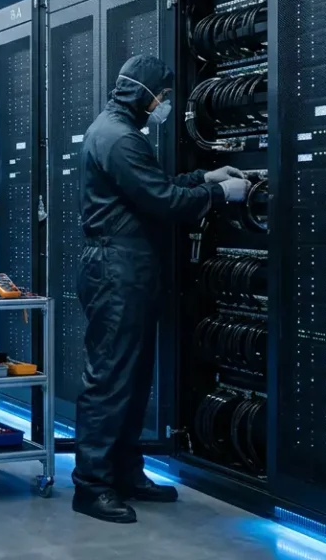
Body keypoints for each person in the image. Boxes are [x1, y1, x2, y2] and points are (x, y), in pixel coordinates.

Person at [72, 55, 250, 523]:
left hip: (128, 270)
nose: (165, 104)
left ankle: (126, 473)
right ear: (144, 92)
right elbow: (161, 200)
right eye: (164, 96)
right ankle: (91, 486)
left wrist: (200, 178)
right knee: (110, 379)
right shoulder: (118, 137)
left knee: (131, 379)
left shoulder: (117, 131)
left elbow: (152, 187)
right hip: (116, 270)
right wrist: (217, 195)